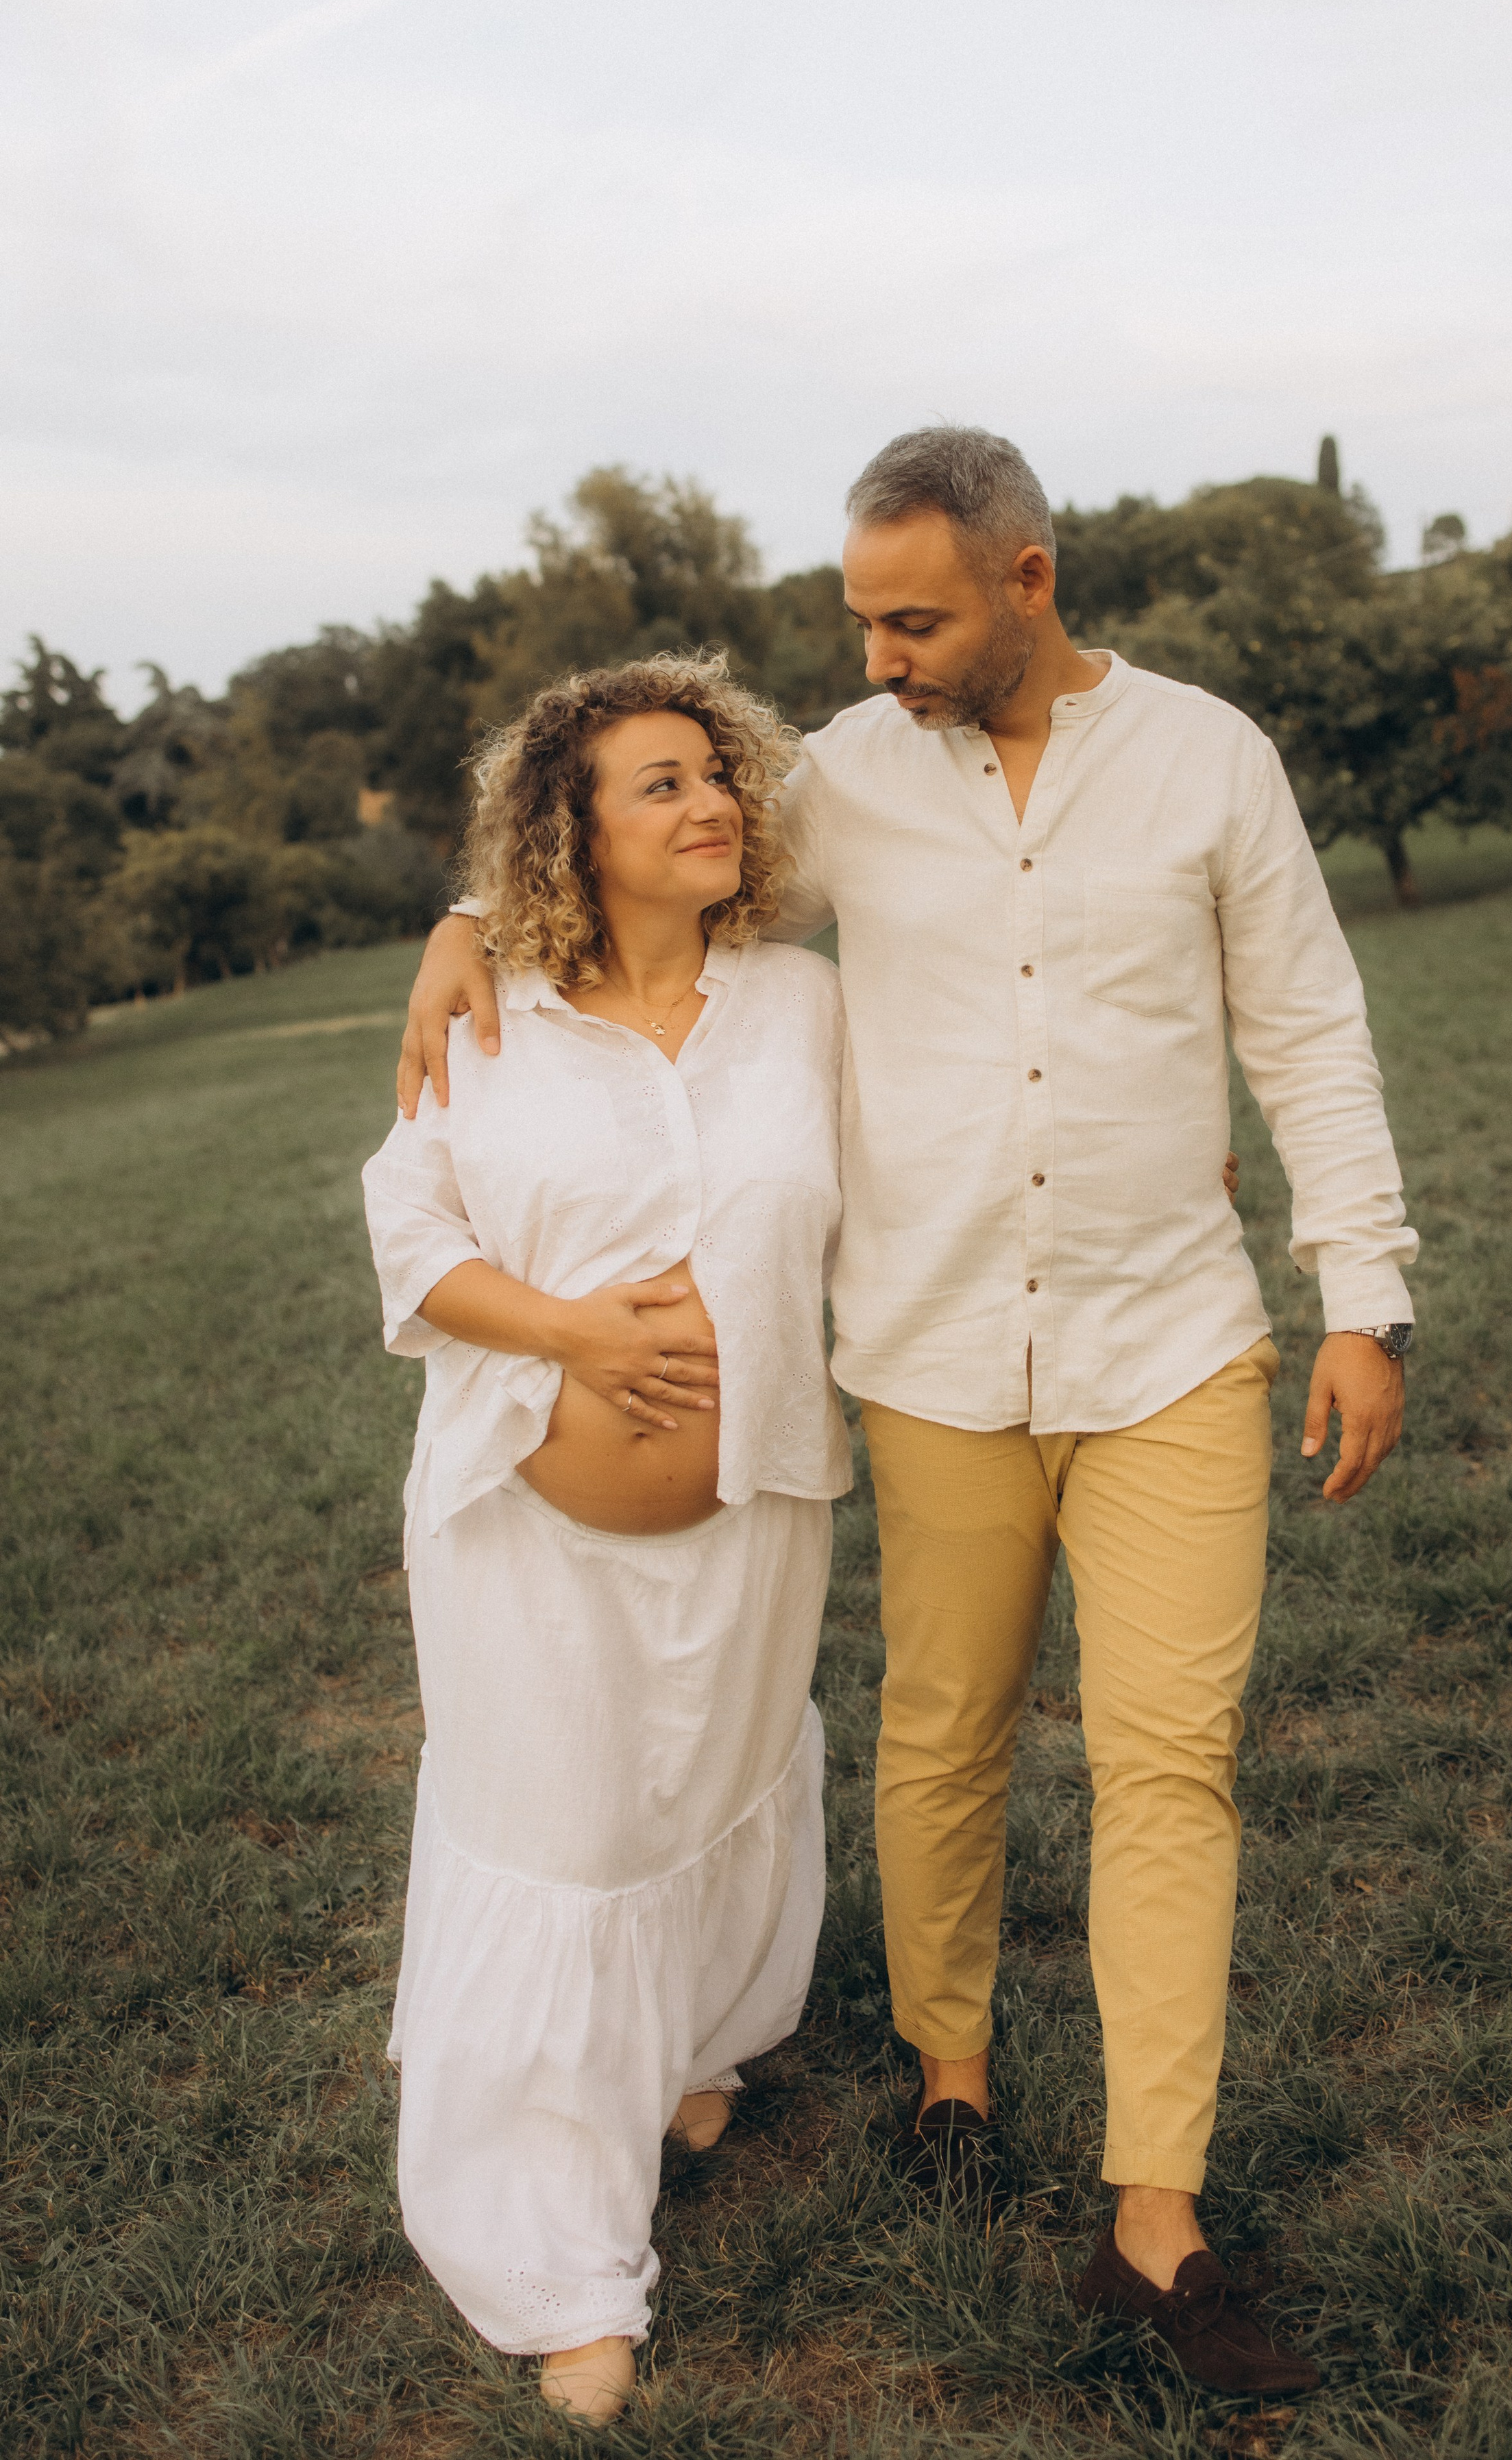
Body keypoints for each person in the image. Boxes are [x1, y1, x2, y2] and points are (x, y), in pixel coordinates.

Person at [401, 428, 1416, 2400]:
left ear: (1030, 581)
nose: (875, 656)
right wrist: (463, 911)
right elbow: (612, 826)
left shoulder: (1211, 759)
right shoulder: (845, 780)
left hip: (1174, 1350)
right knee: (941, 1733)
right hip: (936, 1354)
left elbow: (1307, 1022)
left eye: (915, 618)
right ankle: (950, 2076)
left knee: (1168, 1768)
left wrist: (1359, 1296)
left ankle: (1157, 2213)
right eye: (859, 618)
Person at [363, 654, 851, 2428]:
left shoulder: (800, 999)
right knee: (562, 1844)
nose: (709, 802)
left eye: (716, 773)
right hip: (529, 1537)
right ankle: (557, 2262)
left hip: (757, 1507)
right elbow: (407, 1226)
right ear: (572, 828)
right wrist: (576, 1335)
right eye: (659, 784)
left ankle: (697, 2042)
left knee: (711, 1791)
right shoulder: (493, 1012)